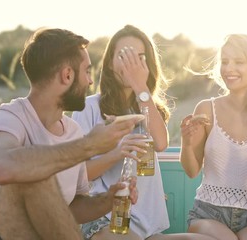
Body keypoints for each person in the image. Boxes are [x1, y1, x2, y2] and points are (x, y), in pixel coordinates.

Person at [0, 28, 140, 240]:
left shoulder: (72, 131)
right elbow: (2, 166)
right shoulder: (6, 119)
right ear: (67, 75)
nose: (90, 82)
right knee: (33, 174)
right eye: (87, 71)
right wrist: (89, 145)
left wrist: (107, 200)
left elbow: (71, 208)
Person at [72, 25, 214, 240]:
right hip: (103, 220)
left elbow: (160, 143)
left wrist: (141, 88)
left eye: (139, 57)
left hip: (147, 226)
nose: (132, 64)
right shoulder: (89, 107)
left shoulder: (148, 107)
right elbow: (78, 175)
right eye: (124, 56)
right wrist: (117, 152)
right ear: (110, 63)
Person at [179, 34, 247, 240]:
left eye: (239, 62)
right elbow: (191, 170)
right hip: (208, 214)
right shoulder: (206, 109)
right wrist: (186, 143)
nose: (228, 68)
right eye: (225, 61)